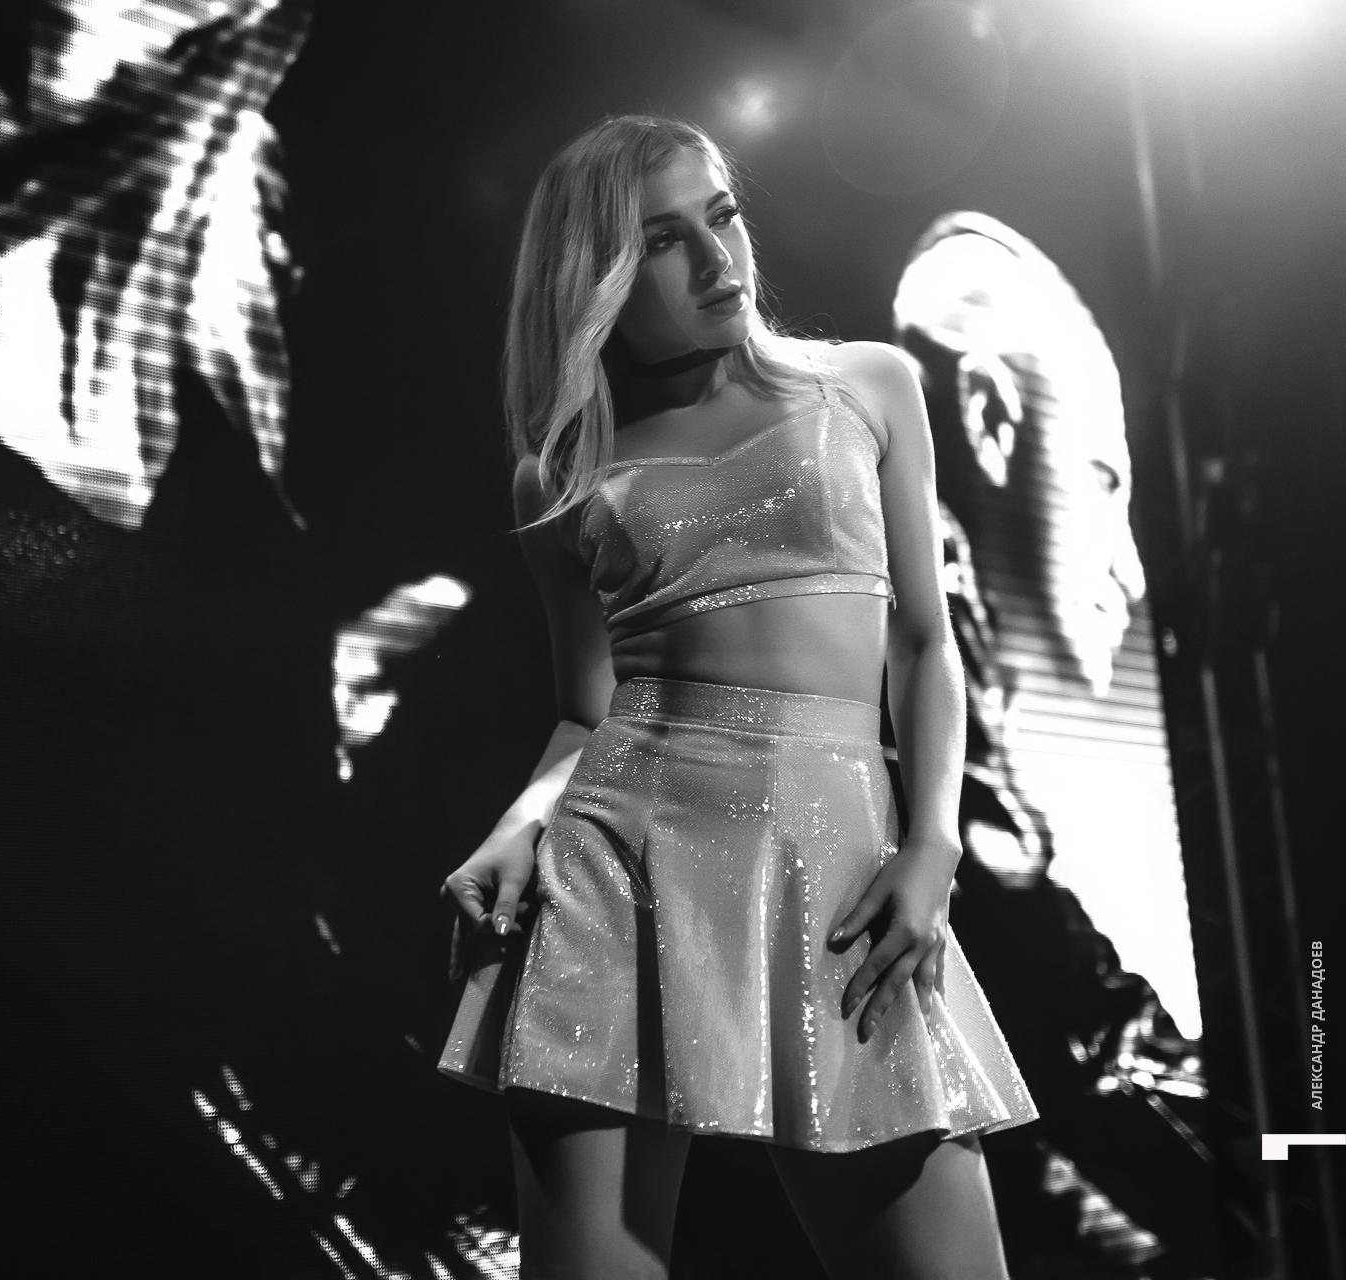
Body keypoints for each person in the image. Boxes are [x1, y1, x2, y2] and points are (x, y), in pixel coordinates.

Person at [438, 115, 1037, 1279]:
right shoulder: (559, 473)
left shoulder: (869, 385)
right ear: (596, 273)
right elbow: (587, 710)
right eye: (664, 239)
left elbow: (924, 642)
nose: (719, 259)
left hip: (839, 877)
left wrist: (932, 842)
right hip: (614, 877)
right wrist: (517, 826)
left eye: (722, 215)